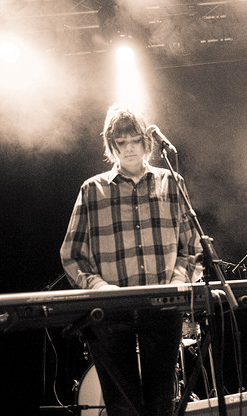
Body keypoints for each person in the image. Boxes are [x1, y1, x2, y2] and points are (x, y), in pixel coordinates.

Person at [61, 105, 202, 416]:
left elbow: (192, 245)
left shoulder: (171, 183)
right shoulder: (91, 190)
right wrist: (98, 287)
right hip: (111, 312)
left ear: (146, 142)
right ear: (111, 145)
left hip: (163, 307)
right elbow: (72, 255)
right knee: (123, 407)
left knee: (160, 404)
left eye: (134, 140)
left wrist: (179, 281)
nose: (127, 148)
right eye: (120, 142)